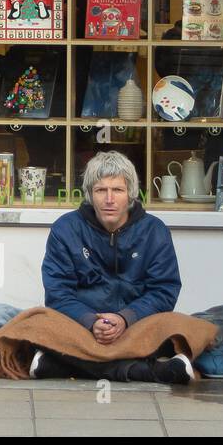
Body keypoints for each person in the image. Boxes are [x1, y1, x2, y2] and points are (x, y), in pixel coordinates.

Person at [31, 150, 194, 384]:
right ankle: (147, 371)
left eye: (117, 190)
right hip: (82, 329)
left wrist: (124, 319)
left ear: (131, 195)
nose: (109, 199)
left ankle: (59, 365)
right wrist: (91, 321)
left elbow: (164, 290)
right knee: (35, 322)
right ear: (89, 195)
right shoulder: (65, 229)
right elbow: (58, 293)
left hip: (137, 324)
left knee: (181, 326)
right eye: (101, 190)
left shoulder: (154, 231)